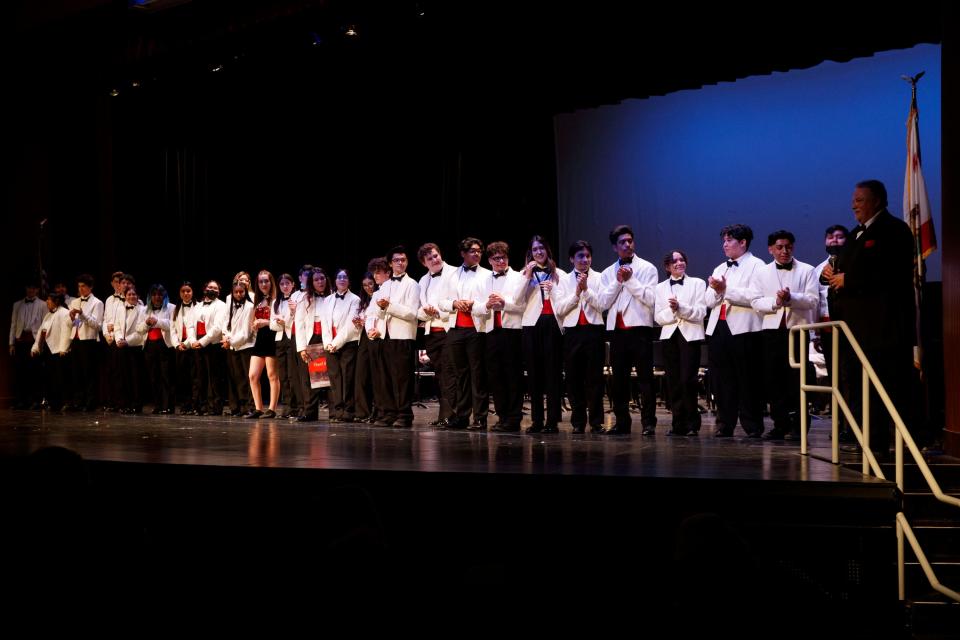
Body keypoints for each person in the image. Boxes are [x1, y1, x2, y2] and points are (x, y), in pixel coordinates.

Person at [822, 179, 916, 460]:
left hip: (884, 327)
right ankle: (870, 440)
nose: (854, 205)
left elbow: (893, 273)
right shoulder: (855, 235)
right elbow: (846, 269)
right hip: (856, 328)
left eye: (860, 199)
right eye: (853, 200)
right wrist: (832, 274)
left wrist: (849, 279)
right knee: (861, 387)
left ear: (877, 200)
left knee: (888, 386)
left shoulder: (894, 230)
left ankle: (900, 443)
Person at [752, 231, 818, 441]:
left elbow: (812, 300)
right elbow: (755, 301)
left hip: (797, 331)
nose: (784, 251)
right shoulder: (762, 272)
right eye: (779, 247)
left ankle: (800, 428)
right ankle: (780, 425)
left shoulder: (807, 270)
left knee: (797, 380)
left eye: (788, 246)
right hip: (771, 331)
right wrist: (776, 302)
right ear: (771, 249)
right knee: (773, 380)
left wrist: (791, 298)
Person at [704, 224, 764, 437]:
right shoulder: (720, 267)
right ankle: (724, 424)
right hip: (718, 328)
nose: (725, 244)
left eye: (729, 240)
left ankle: (753, 425)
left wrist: (725, 290)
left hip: (744, 328)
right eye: (724, 241)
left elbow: (755, 296)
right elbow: (708, 300)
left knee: (747, 379)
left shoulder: (758, 265)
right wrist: (717, 292)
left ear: (743, 242)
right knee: (722, 380)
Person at [598, 225, 657, 435]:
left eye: (630, 240)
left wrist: (630, 280)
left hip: (640, 329)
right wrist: (617, 281)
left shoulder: (648, 268)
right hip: (617, 331)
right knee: (619, 380)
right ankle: (622, 422)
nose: (627, 244)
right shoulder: (607, 273)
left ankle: (649, 423)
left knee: (645, 379)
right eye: (622, 242)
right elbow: (603, 303)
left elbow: (650, 299)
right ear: (615, 247)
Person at [554, 240, 606, 434]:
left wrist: (586, 290)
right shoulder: (564, 280)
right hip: (572, 333)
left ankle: (596, 422)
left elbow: (602, 305)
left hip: (594, 331)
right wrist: (576, 293)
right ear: (571, 259)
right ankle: (577, 422)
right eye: (580, 256)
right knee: (573, 379)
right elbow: (559, 309)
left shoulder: (600, 278)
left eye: (587, 256)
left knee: (595, 379)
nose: (585, 260)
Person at [472, 241, 525, 432]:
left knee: (513, 376)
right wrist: (486, 305)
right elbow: (475, 309)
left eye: (503, 257)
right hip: (491, 332)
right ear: (490, 260)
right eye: (496, 258)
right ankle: (502, 416)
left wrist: (504, 304)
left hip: (512, 331)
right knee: (495, 377)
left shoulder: (519, 277)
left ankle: (514, 418)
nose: (500, 261)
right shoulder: (483, 281)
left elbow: (524, 306)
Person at [654, 250, 707, 436]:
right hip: (669, 337)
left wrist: (680, 308)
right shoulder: (660, 288)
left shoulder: (698, 283)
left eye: (682, 259)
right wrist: (673, 311)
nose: (679, 263)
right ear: (667, 267)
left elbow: (701, 312)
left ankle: (693, 423)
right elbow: (659, 317)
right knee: (673, 381)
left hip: (690, 336)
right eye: (674, 261)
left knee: (688, 380)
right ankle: (678, 424)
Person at [516, 235, 566, 433]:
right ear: (531, 253)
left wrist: (553, 290)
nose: (539, 252)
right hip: (531, 325)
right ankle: (537, 421)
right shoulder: (524, 274)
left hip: (553, 324)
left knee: (553, 373)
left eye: (542, 249)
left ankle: (552, 421)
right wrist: (527, 276)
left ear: (547, 250)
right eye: (535, 249)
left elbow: (564, 302)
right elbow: (517, 300)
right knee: (534, 375)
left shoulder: (559, 274)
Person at [439, 238, 490, 430]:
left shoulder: (487, 274)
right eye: (472, 251)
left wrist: (473, 305)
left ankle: (480, 417)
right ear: (463, 253)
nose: (476, 254)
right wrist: (454, 304)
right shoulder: (451, 275)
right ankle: (462, 416)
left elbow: (488, 301)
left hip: (477, 329)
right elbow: (441, 302)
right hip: (456, 329)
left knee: (478, 374)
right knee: (461, 375)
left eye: (479, 251)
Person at [370, 246, 421, 428]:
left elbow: (412, 313)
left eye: (403, 260)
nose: (400, 263)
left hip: (403, 336)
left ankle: (404, 414)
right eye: (397, 260)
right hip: (385, 335)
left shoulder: (412, 284)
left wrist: (389, 306)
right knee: (386, 378)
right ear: (390, 264)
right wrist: (380, 312)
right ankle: (388, 413)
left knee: (402, 378)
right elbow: (377, 311)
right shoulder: (386, 285)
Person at [416, 243, 457, 426]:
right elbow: (419, 310)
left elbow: (458, 301)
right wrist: (427, 312)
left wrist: (439, 311)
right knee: (440, 375)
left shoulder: (454, 273)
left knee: (449, 374)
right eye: (430, 258)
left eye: (436, 255)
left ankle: (453, 415)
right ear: (424, 263)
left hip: (450, 330)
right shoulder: (423, 281)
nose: (435, 260)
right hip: (431, 333)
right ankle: (444, 415)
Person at [812, 225, 848, 424]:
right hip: (826, 329)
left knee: (848, 376)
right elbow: (817, 302)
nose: (834, 241)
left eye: (839, 237)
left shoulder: (851, 264)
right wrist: (816, 332)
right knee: (835, 376)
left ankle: (851, 423)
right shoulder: (818, 269)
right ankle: (840, 422)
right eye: (830, 237)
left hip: (847, 328)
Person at [323, 269, 361, 423]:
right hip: (330, 344)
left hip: (347, 343)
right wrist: (328, 343)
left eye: (345, 277)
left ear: (349, 281)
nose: (342, 279)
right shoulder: (328, 299)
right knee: (335, 378)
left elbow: (349, 325)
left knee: (347, 377)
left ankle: (348, 410)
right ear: (335, 280)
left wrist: (336, 343)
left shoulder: (355, 299)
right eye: (339, 277)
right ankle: (337, 410)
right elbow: (325, 324)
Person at [295, 267, 331, 422]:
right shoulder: (304, 299)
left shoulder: (333, 296)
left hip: (329, 338)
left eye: (322, 278)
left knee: (330, 377)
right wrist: (302, 348)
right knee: (309, 378)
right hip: (312, 338)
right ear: (311, 282)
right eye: (316, 280)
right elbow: (300, 323)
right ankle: (310, 412)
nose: (320, 282)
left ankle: (335, 412)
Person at [189, 280, 227, 416]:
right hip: (198, 343)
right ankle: (201, 406)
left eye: (215, 288)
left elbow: (217, 327)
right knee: (200, 376)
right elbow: (190, 325)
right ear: (205, 289)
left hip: (212, 344)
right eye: (210, 287)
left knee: (214, 377)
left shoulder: (221, 306)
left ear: (219, 291)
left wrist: (202, 341)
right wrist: (193, 340)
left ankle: (215, 407)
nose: (212, 290)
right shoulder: (197, 306)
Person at [68, 274, 104, 412]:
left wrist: (82, 314)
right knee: (77, 373)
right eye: (79, 286)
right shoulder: (75, 301)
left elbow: (97, 325)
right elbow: (77, 323)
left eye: (83, 286)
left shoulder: (97, 303)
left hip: (89, 341)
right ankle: (79, 401)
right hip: (76, 340)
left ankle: (90, 402)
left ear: (90, 287)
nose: (81, 289)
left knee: (89, 373)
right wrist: (73, 319)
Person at [31, 292, 73, 412]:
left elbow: (66, 332)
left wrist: (63, 349)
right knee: (50, 377)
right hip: (49, 350)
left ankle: (64, 402)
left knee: (61, 378)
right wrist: (35, 347)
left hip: (60, 350)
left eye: (49, 300)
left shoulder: (64, 312)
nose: (47, 302)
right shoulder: (48, 315)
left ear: (56, 301)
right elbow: (40, 331)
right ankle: (53, 402)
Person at [247, 270, 280, 419]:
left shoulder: (277, 300)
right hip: (260, 339)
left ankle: (272, 409)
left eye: (266, 281)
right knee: (253, 375)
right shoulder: (258, 301)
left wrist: (264, 322)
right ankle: (258, 408)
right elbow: (253, 322)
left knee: (272, 375)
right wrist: (254, 324)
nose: (263, 284)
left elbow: (280, 321)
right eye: (260, 281)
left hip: (273, 337)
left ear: (271, 282)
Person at [9, 281, 46, 409]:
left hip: (34, 340)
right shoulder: (17, 304)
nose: (31, 290)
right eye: (29, 287)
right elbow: (13, 324)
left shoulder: (43, 304)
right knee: (21, 372)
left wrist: (40, 344)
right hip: (20, 340)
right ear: (26, 288)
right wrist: (11, 343)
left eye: (33, 288)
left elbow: (44, 325)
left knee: (34, 372)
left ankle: (35, 400)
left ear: (37, 290)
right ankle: (21, 400)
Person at [139, 284, 174, 414]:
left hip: (164, 345)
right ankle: (158, 405)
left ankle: (168, 405)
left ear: (164, 296)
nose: (157, 297)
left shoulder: (171, 308)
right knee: (154, 377)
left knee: (166, 376)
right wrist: (146, 323)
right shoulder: (144, 310)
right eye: (154, 295)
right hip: (150, 346)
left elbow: (172, 325)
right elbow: (139, 328)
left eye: (159, 294)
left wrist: (157, 321)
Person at [270, 273, 302, 419]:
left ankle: (294, 406)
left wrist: (285, 323)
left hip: (291, 338)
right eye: (282, 284)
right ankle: (287, 406)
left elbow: (298, 319)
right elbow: (271, 324)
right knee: (282, 375)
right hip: (280, 339)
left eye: (287, 283)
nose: (284, 286)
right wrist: (280, 324)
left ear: (293, 284)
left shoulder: (297, 299)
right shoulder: (276, 302)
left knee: (291, 375)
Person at [222, 281, 256, 417]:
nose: (238, 294)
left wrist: (230, 341)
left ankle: (251, 407)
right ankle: (242, 407)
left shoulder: (249, 307)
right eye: (235, 292)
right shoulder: (230, 305)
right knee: (239, 378)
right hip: (233, 346)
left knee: (249, 378)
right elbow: (225, 323)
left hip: (246, 346)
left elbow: (246, 332)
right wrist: (226, 337)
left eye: (241, 292)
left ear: (245, 292)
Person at [353, 271, 381, 423]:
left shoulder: (380, 297)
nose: (368, 287)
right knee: (361, 375)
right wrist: (359, 324)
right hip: (364, 337)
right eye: (365, 285)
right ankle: (363, 412)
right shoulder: (363, 301)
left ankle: (377, 410)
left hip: (377, 336)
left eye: (370, 284)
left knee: (376, 375)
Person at [114, 286, 146, 414]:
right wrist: (118, 339)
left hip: (135, 346)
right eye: (129, 294)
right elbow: (117, 326)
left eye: (134, 294)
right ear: (125, 296)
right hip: (122, 346)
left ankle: (137, 404)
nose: (131, 296)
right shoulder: (120, 308)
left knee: (136, 377)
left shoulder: (142, 310)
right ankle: (125, 403)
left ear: (137, 296)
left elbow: (141, 331)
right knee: (124, 376)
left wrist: (126, 341)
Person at [171, 281, 200, 415]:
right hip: (180, 346)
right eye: (183, 291)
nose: (186, 293)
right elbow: (172, 329)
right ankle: (185, 404)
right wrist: (177, 344)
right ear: (180, 293)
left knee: (195, 376)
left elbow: (194, 329)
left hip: (193, 344)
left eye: (188, 291)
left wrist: (187, 343)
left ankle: (195, 404)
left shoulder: (198, 307)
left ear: (192, 292)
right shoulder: (175, 309)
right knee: (182, 378)